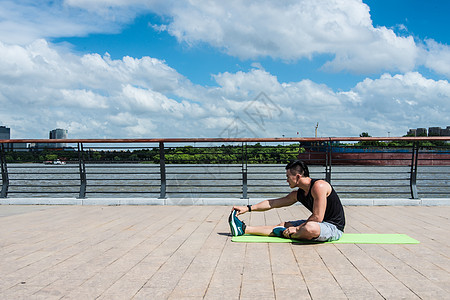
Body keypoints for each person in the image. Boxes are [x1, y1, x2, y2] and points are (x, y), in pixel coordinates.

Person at [229, 160, 345, 242]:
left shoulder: (319, 186)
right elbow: (272, 203)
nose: (286, 180)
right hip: (318, 224)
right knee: (282, 225)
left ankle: (291, 234)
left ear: (298, 177)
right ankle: (244, 229)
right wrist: (247, 208)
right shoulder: (298, 194)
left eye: (288, 177)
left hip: (333, 227)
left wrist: (297, 228)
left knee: (310, 228)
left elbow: (317, 217)